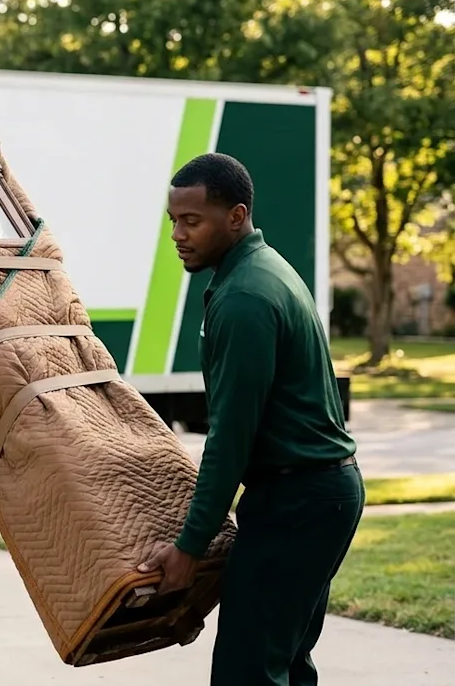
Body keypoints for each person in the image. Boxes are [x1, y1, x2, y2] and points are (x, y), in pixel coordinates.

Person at [137, 152, 364, 686]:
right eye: (174, 221)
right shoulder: (261, 271)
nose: (178, 234)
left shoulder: (245, 297)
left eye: (192, 221)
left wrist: (189, 548)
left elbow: (230, 439)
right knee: (282, 663)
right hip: (316, 496)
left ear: (236, 216)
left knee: (248, 672)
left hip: (300, 503)